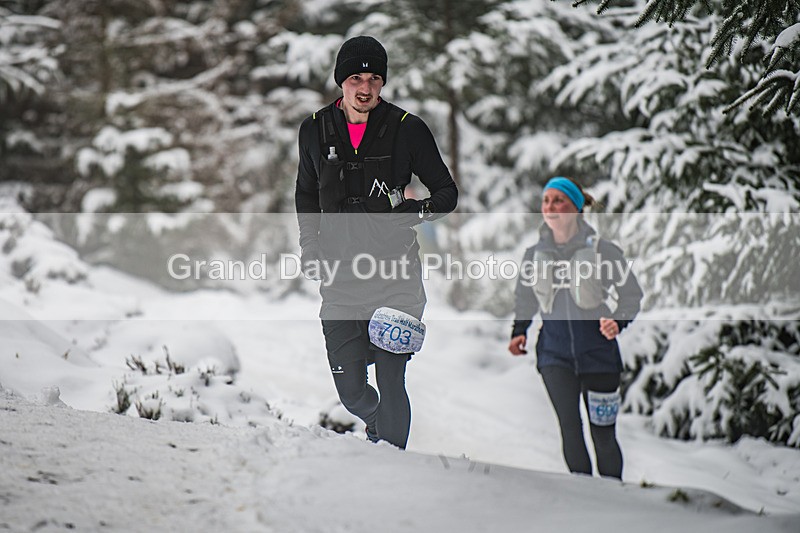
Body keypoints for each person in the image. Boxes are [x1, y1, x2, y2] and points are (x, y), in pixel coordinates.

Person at [295, 36, 458, 449]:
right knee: (351, 392)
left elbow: (446, 193)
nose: (365, 88)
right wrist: (308, 245)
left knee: (391, 378)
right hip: (340, 278)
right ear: (341, 82)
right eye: (355, 78)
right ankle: (376, 424)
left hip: (395, 278)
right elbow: (305, 192)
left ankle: (393, 464)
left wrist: (415, 212)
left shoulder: (407, 129)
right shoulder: (314, 128)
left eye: (374, 79)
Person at [508, 177, 642, 479]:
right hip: (554, 356)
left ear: (577, 208)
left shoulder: (604, 251)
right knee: (570, 429)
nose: (551, 206)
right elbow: (526, 297)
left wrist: (617, 321)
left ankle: (614, 499)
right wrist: (520, 331)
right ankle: (585, 500)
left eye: (559, 200)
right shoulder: (534, 255)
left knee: (603, 436)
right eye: (546, 200)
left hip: (599, 356)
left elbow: (631, 296)